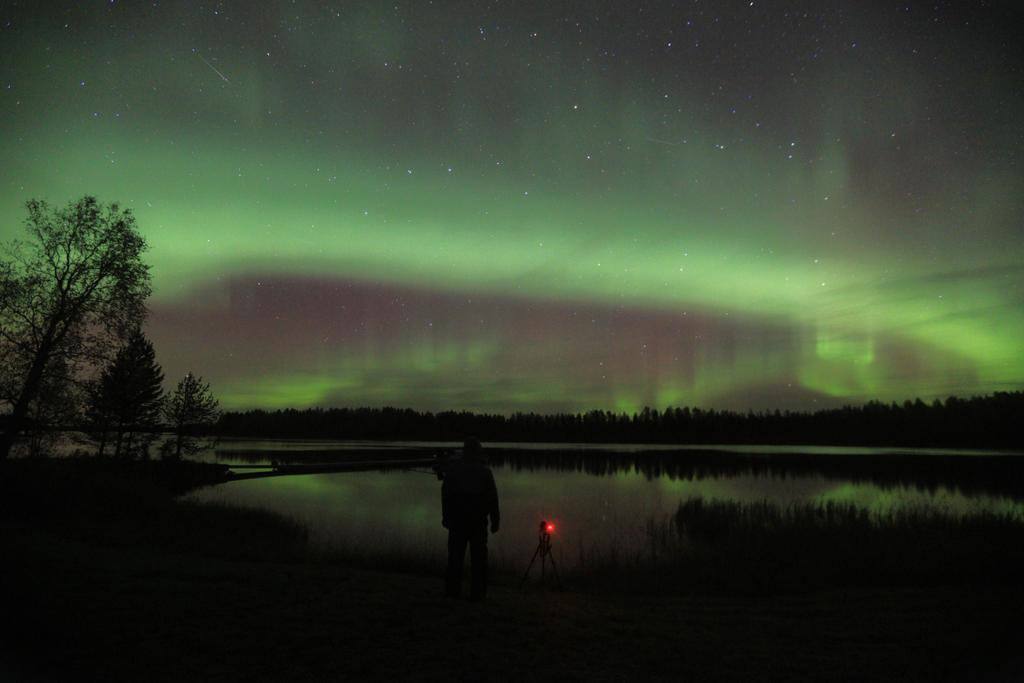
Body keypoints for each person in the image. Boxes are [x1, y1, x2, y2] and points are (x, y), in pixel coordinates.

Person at [442, 437, 500, 600]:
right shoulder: (485, 472)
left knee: (455, 558)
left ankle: (452, 593)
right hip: (475, 523)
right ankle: (477, 594)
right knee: (478, 561)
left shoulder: (454, 470)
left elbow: (446, 495)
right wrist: (495, 520)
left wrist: (446, 516)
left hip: (459, 522)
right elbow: (492, 498)